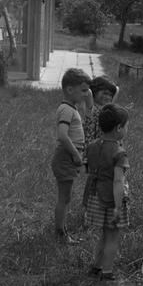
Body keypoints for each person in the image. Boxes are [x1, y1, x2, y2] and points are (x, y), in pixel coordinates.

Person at [83, 104, 130, 281]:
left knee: (103, 233)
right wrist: (118, 207)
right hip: (111, 199)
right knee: (112, 237)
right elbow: (118, 181)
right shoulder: (119, 153)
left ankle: (97, 265)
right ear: (118, 128)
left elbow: (87, 169)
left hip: (94, 196)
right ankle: (107, 271)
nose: (126, 129)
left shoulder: (93, 146)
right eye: (126, 126)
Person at [51, 68, 91, 243]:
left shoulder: (71, 108)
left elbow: (88, 102)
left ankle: (62, 230)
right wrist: (76, 155)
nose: (86, 93)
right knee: (64, 197)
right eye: (82, 90)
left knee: (65, 197)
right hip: (66, 157)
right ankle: (61, 233)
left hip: (68, 157)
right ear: (69, 89)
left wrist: (86, 93)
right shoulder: (67, 110)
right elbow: (62, 135)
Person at [83, 76, 120, 151]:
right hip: (90, 145)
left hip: (102, 146)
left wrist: (111, 86)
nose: (107, 97)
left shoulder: (107, 110)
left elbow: (117, 90)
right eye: (104, 93)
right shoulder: (91, 107)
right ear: (94, 92)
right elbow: (89, 91)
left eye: (110, 95)